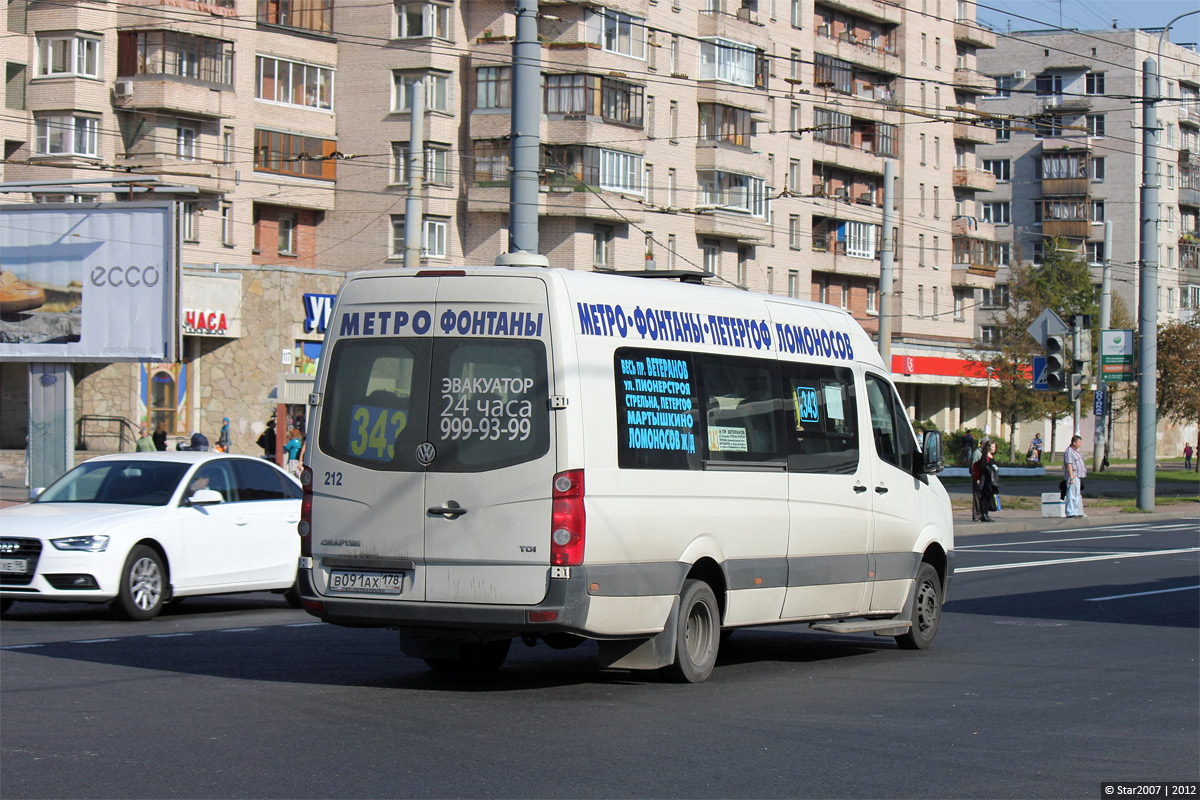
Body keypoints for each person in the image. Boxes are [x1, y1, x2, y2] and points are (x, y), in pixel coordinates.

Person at [1064, 434, 1087, 518]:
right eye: (1079, 442)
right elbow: (1069, 465)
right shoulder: (1069, 451)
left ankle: (1075, 511)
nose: (1080, 444)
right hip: (1072, 476)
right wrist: (1071, 478)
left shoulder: (1075, 451)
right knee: (1071, 495)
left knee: (1076, 494)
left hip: (1078, 476)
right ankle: (1070, 512)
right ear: (1074, 443)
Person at [976, 440, 1000, 522]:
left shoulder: (992, 457)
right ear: (988, 447)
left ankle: (987, 514)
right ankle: (983, 515)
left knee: (989, 498)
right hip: (986, 481)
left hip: (991, 481)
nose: (994, 448)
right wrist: (989, 469)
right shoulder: (985, 457)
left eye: (995, 447)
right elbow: (982, 467)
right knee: (984, 498)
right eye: (993, 447)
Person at [971, 436, 990, 521]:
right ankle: (976, 515)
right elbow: (974, 467)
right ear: (983, 445)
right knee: (977, 497)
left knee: (982, 497)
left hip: (983, 479)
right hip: (977, 478)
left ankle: (982, 514)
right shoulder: (977, 453)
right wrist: (977, 478)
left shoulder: (984, 453)